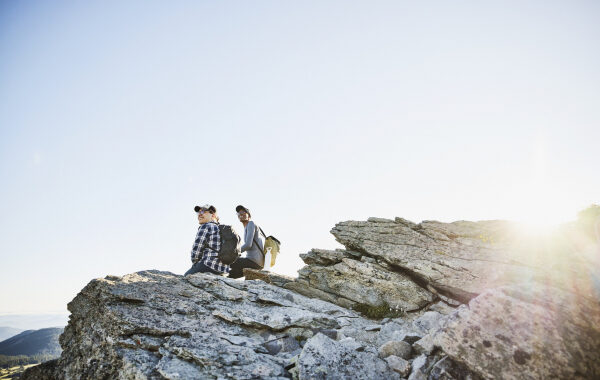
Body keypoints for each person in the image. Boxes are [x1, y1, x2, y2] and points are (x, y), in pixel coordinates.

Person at [184, 204, 230, 276]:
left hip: (208, 265)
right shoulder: (222, 229)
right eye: (198, 213)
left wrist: (195, 264)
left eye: (203, 212)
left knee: (186, 277)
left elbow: (196, 251)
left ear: (213, 215)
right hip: (223, 269)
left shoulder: (206, 226)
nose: (199, 214)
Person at [228, 205, 265, 279]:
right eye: (238, 213)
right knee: (232, 274)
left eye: (244, 212)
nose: (240, 214)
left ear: (249, 215)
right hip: (256, 263)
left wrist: (234, 253)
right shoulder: (246, 227)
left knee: (227, 260)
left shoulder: (251, 224)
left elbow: (248, 245)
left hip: (253, 261)